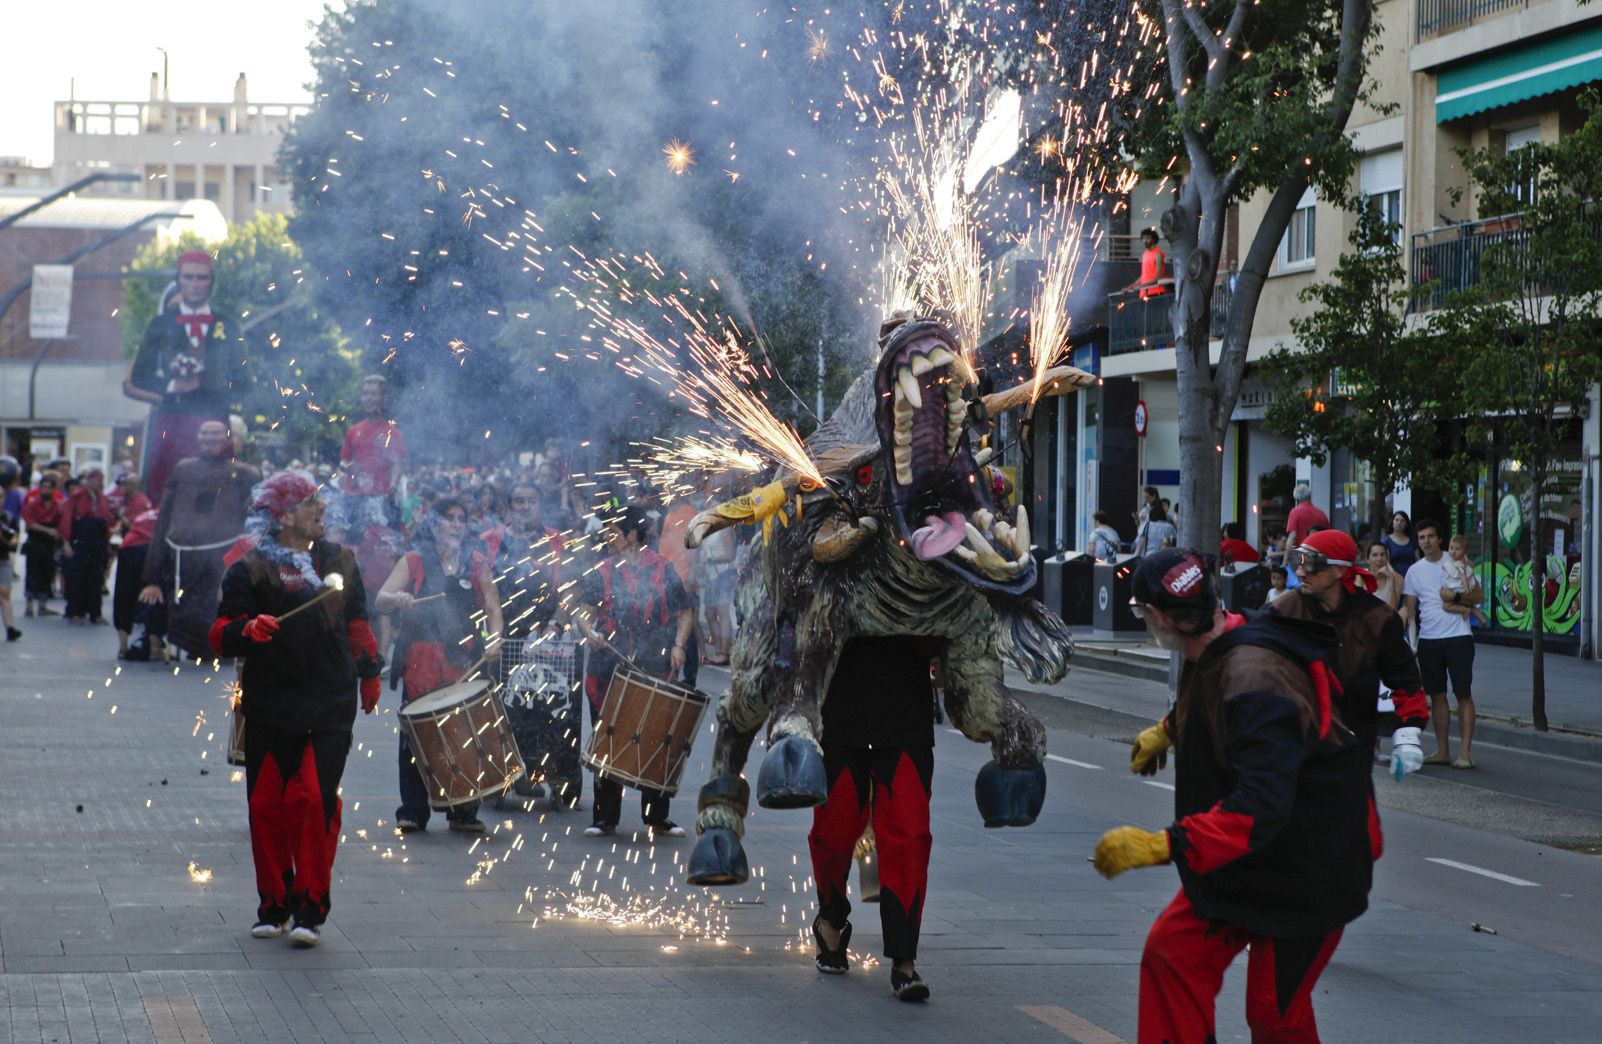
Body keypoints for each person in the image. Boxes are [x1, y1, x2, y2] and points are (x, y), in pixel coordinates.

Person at [1096, 549, 1379, 1043]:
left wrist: (1165, 845)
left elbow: (1261, 805)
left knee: (1275, 1013)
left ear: (1160, 617)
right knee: (1172, 955)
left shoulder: (1255, 678)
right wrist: (1170, 729)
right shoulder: (1225, 637)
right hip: (1245, 864)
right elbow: (1221, 700)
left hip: (1309, 865)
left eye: (1143, 613)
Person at [211, 471, 381, 947]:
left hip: (330, 703)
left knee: (312, 800)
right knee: (267, 807)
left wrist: (370, 671)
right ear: (284, 516)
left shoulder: (340, 559)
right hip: (270, 705)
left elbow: (358, 621)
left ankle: (310, 911)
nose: (321, 509)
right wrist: (247, 630)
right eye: (310, 503)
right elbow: (219, 634)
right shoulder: (249, 568)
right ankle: (273, 906)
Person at [809, 636, 940, 1003]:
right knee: (833, 832)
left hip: (905, 712)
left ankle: (904, 959)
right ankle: (831, 919)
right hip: (841, 709)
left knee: (909, 836)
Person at [376, 497, 503, 834]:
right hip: (420, 661)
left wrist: (495, 639)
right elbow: (381, 599)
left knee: (464, 734)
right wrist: (398, 598)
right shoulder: (414, 560)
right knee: (416, 735)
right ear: (434, 524)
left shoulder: (476, 563)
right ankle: (413, 811)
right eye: (450, 518)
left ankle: (463, 809)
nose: (457, 524)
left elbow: (493, 608)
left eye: (461, 518)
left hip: (463, 661)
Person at [573, 505, 693, 838]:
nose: (607, 537)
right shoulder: (603, 571)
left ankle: (657, 817)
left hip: (653, 666)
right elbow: (583, 613)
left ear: (632, 535)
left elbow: (685, 613)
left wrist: (679, 645)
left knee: (656, 739)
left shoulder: (663, 569)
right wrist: (589, 632)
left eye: (614, 531)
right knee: (608, 738)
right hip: (608, 669)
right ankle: (604, 817)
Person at [1273, 529, 1428, 769]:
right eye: (1298, 561)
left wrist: (1408, 734)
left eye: (1312, 564)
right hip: (1294, 747)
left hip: (1353, 746)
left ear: (1339, 569)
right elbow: (1252, 663)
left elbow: (1405, 680)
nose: (1301, 571)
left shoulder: (1377, 619)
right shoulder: (1282, 611)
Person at [123, 251, 242, 504]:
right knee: (166, 488)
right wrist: (171, 385)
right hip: (172, 417)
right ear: (179, 281)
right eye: (188, 277)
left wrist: (214, 391)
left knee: (216, 490)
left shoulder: (227, 324)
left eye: (202, 278)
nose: (195, 284)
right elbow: (140, 375)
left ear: (211, 282)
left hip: (214, 419)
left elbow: (243, 379)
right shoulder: (160, 324)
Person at [140, 420, 261, 659]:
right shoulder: (184, 469)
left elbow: (256, 520)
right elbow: (164, 518)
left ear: (228, 438)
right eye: (205, 433)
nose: (210, 438)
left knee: (219, 607)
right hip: (182, 554)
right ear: (197, 437)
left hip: (223, 556)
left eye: (216, 433)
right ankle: (191, 648)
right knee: (184, 609)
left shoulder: (246, 473)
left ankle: (215, 649)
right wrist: (152, 575)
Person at [494, 483, 579, 808]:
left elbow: (571, 588)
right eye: (519, 500)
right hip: (507, 637)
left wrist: (556, 625)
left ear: (540, 504)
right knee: (509, 710)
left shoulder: (558, 541)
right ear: (510, 506)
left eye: (531, 500)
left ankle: (559, 780)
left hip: (550, 639)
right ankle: (510, 777)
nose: (525, 506)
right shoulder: (494, 539)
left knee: (553, 710)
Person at [1402, 520, 1480, 769]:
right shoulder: (1414, 571)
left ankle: (1465, 753)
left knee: (1463, 693)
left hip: (1459, 636)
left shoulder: (1457, 561)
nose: (1426, 541)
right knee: (1436, 696)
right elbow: (1409, 609)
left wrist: (1454, 596)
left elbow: (1479, 596)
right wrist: (1404, 626)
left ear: (1439, 539)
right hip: (1429, 640)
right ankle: (1442, 751)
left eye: (1430, 536)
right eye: (1421, 537)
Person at [60, 468, 115, 626]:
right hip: (81, 540)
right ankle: (75, 612)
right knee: (77, 578)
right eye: (97, 480)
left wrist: (108, 541)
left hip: (98, 542)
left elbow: (108, 520)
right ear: (89, 480)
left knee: (97, 578)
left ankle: (95, 613)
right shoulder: (77, 497)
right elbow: (66, 519)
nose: (100, 483)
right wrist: (66, 542)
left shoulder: (103, 498)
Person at [110, 474, 156, 659]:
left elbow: (135, 527)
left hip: (137, 549)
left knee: (133, 596)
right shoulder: (128, 501)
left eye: (125, 485)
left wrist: (122, 517)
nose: (122, 489)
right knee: (129, 596)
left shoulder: (141, 503)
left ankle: (150, 645)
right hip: (134, 549)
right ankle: (127, 645)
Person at [20, 471, 64, 618]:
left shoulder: (57, 505)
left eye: (49, 488)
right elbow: (29, 523)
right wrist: (47, 530)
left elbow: (60, 521)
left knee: (47, 572)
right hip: (35, 540)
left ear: (53, 489)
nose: (46, 490)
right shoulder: (33, 504)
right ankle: (29, 605)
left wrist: (58, 533)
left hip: (49, 543)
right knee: (32, 572)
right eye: (43, 487)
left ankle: (43, 605)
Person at [1441, 534, 1488, 628]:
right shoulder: (1464, 560)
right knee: (1471, 605)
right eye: (1451, 548)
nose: (1453, 551)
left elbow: (1463, 576)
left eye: (1457, 549)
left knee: (1446, 606)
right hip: (1467, 587)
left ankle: (1464, 610)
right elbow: (1472, 565)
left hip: (1460, 588)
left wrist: (1466, 587)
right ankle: (1482, 619)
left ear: (1464, 551)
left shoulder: (1457, 564)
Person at [0, 456, 21, 641]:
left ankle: (11, 628)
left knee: (5, 592)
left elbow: (14, 542)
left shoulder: (8, 518)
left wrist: (5, 538)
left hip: (3, 558)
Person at [1123, 228, 1169, 299]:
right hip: (1144, 293)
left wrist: (1141, 286)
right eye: (1143, 238)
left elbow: (1158, 277)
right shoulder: (1145, 253)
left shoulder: (1158, 254)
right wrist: (1131, 286)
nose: (1145, 241)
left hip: (1155, 292)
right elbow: (1144, 276)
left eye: (1147, 238)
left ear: (1153, 239)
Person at [1284, 483, 1330, 551]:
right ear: (1310, 497)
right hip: (1319, 553)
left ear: (1296, 499)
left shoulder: (1295, 512)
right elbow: (1328, 536)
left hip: (1302, 553)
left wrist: (1286, 556)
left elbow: (1293, 536)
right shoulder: (1322, 514)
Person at [1366, 541, 1403, 611]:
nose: (1379, 559)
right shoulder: (1360, 576)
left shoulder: (1397, 578)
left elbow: (1392, 610)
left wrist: (1391, 578)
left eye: (1382, 555)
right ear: (1368, 559)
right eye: (1375, 555)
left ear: (1387, 558)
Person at [1380, 510, 1418, 577]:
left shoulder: (1412, 540)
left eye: (1402, 520)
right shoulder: (1386, 541)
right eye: (1397, 520)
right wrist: (1395, 575)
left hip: (1411, 576)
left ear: (1406, 524)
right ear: (1392, 522)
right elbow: (1386, 562)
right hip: (1393, 577)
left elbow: (1417, 559)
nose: (1399, 523)